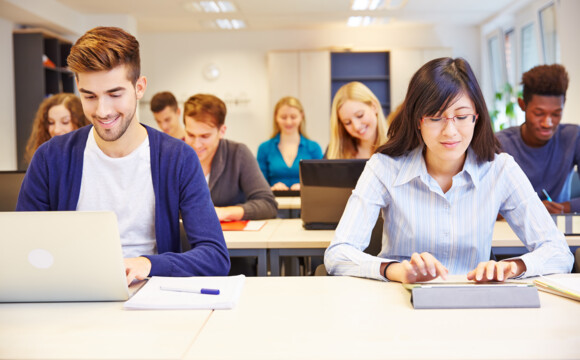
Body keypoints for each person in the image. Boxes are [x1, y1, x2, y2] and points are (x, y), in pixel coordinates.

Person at [325, 57, 573, 283]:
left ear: (476, 117)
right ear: (417, 120)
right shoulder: (384, 167)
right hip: (400, 302)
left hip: (474, 303)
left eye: (462, 116)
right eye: (435, 118)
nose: (450, 131)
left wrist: (513, 267)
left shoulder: (501, 169)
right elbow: (338, 253)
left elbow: (559, 252)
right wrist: (395, 270)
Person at [16, 26, 230, 284]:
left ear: (139, 88)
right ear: (78, 89)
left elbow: (215, 257)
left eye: (115, 94)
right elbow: (22, 251)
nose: (103, 110)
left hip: (150, 293)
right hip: (72, 294)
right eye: (90, 96)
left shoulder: (178, 158)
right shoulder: (51, 158)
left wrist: (148, 263)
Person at [496, 64, 578, 214]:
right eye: (539, 113)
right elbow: (481, 201)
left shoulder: (573, 137)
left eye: (556, 114)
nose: (548, 123)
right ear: (522, 105)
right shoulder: (500, 143)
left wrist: (564, 208)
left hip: (558, 228)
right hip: (510, 231)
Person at [183, 93, 277, 221]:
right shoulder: (174, 156)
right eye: (190, 135)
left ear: (222, 131)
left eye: (205, 136)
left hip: (231, 239)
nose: (196, 144)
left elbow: (267, 204)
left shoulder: (238, 154)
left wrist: (224, 213)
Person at [257, 96, 323, 191]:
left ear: (301, 116)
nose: (288, 122)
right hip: (274, 203)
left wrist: (306, 188)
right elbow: (259, 185)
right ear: (276, 117)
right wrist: (271, 188)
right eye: (283, 117)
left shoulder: (314, 148)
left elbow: (320, 182)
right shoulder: (264, 148)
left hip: (306, 203)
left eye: (293, 117)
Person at [326, 82, 388, 159]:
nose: (356, 126)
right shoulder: (334, 152)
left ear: (374, 106)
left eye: (360, 115)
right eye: (347, 123)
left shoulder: (396, 150)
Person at [24, 93, 89, 164]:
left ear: (80, 123)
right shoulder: (43, 157)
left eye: (65, 122)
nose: (56, 130)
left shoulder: (90, 157)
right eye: (51, 122)